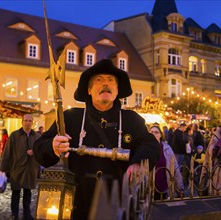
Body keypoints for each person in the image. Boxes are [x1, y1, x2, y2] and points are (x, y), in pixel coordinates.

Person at [33, 59, 160, 219]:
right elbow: (39, 148)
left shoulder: (131, 120)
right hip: (77, 207)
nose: (105, 84)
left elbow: (150, 145)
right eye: (99, 80)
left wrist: (138, 163)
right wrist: (52, 146)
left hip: (118, 207)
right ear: (89, 89)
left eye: (110, 80)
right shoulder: (70, 118)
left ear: (117, 89)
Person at [0, 114, 41, 220]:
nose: (28, 122)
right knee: (16, 193)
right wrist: (2, 169)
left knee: (28, 192)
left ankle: (27, 214)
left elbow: (41, 152)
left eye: (30, 121)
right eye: (26, 120)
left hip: (31, 169)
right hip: (17, 169)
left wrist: (34, 152)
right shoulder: (14, 135)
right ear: (22, 122)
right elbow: (7, 153)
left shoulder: (37, 136)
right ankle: (15, 214)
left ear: (32, 123)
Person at [149, 124, 184, 200]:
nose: (154, 134)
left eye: (156, 132)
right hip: (149, 188)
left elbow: (175, 167)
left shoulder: (167, 149)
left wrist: (180, 187)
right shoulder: (144, 148)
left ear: (161, 135)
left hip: (164, 187)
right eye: (151, 132)